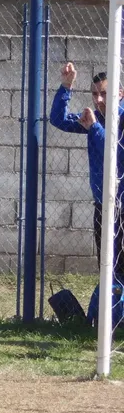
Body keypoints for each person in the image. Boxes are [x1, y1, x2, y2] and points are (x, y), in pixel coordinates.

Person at [50, 62, 124, 280]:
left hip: (121, 205)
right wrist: (66, 86)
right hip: (103, 204)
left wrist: (94, 128)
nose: (98, 100)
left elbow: (115, 154)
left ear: (120, 93)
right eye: (94, 94)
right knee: (106, 265)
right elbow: (58, 120)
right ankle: (110, 309)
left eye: (104, 94)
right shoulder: (97, 118)